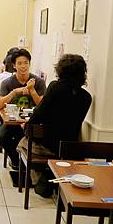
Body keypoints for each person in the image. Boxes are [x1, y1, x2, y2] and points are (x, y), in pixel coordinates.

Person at [19, 54, 92, 197]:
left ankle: (41, 176)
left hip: (47, 146)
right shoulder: (86, 97)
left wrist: (27, 128)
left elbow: (39, 113)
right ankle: (47, 175)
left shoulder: (54, 87)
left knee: (22, 143)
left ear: (60, 70)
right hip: (70, 148)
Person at [0, 49, 46, 171]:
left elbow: (42, 105)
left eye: (26, 63)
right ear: (14, 66)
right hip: (13, 121)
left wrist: (32, 90)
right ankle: (16, 161)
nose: (23, 66)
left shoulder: (38, 82)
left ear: (29, 64)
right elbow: (0, 104)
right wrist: (14, 92)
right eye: (19, 63)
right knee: (2, 137)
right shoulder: (7, 83)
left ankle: (26, 164)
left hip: (32, 121)